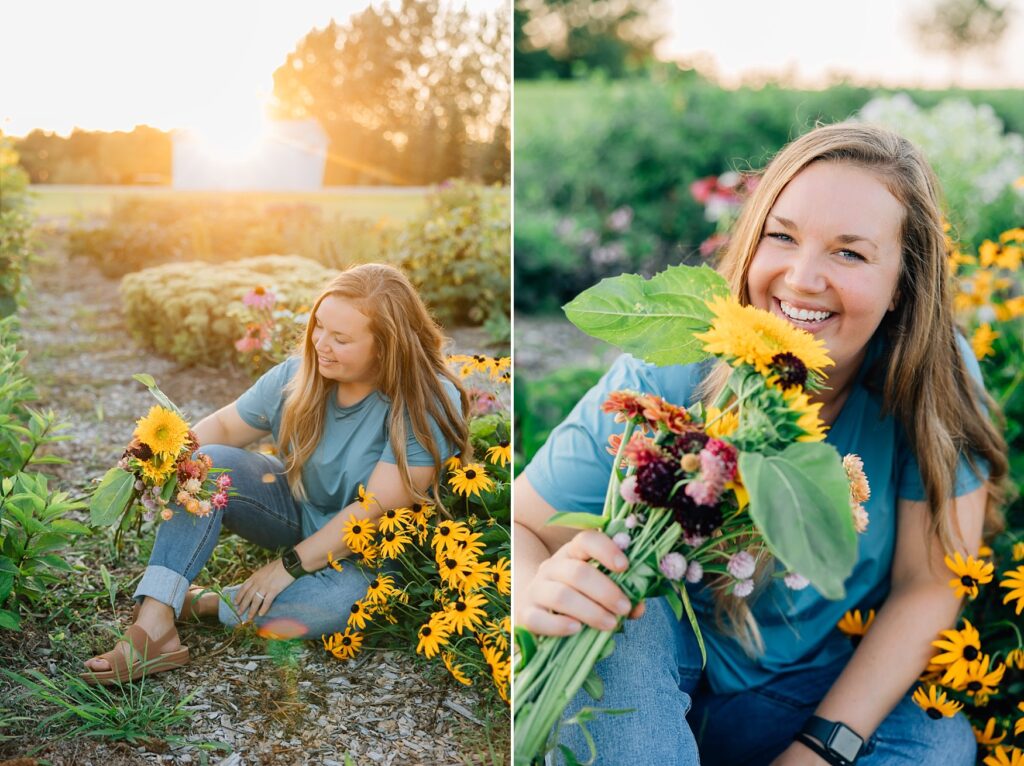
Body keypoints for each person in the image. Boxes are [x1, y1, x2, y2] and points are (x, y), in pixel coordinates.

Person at [514, 123, 1008, 765]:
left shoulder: (930, 378)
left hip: (807, 693)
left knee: (939, 742)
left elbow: (930, 581)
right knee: (607, 611)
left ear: (903, 286)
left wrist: (819, 751)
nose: (801, 279)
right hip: (657, 665)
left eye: (850, 253)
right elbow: (522, 522)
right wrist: (534, 589)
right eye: (782, 236)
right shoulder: (680, 366)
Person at [83, 263, 470, 684]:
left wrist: (285, 568)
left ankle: (210, 604)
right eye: (319, 327)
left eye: (341, 339)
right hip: (296, 509)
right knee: (206, 461)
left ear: (386, 347)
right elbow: (227, 427)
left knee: (334, 606)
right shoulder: (298, 375)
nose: (321, 344)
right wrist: (155, 456)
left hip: (372, 552)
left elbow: (372, 512)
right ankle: (156, 623)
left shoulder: (425, 400)